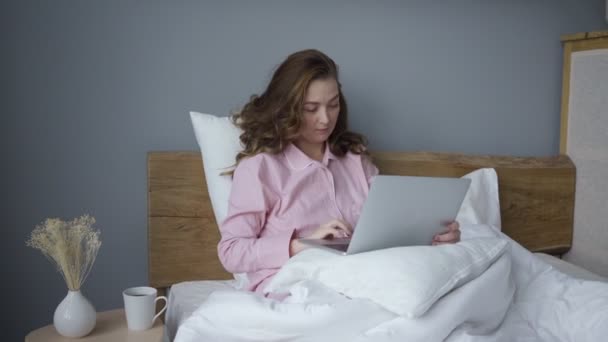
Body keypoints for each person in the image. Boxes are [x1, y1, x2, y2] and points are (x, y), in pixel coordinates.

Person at [218, 49, 461, 294]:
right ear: (286, 108)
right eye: (311, 109)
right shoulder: (260, 169)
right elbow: (231, 252)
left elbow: (388, 231)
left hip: (363, 278)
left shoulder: (355, 160)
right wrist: (304, 244)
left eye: (333, 105)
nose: (325, 119)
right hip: (295, 287)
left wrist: (435, 235)